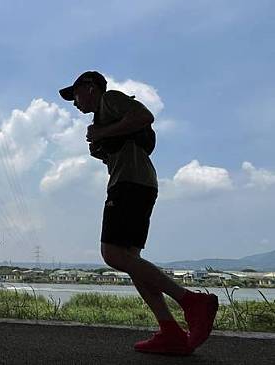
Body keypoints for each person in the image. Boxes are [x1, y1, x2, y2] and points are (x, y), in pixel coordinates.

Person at [59, 71, 218, 356]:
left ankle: (192, 302)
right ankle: (170, 331)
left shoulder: (110, 100)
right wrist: (102, 148)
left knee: (113, 254)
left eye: (76, 94)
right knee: (131, 260)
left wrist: (102, 134)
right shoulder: (103, 116)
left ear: (91, 87)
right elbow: (127, 142)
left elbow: (145, 116)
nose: (74, 103)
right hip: (138, 182)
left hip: (129, 185)